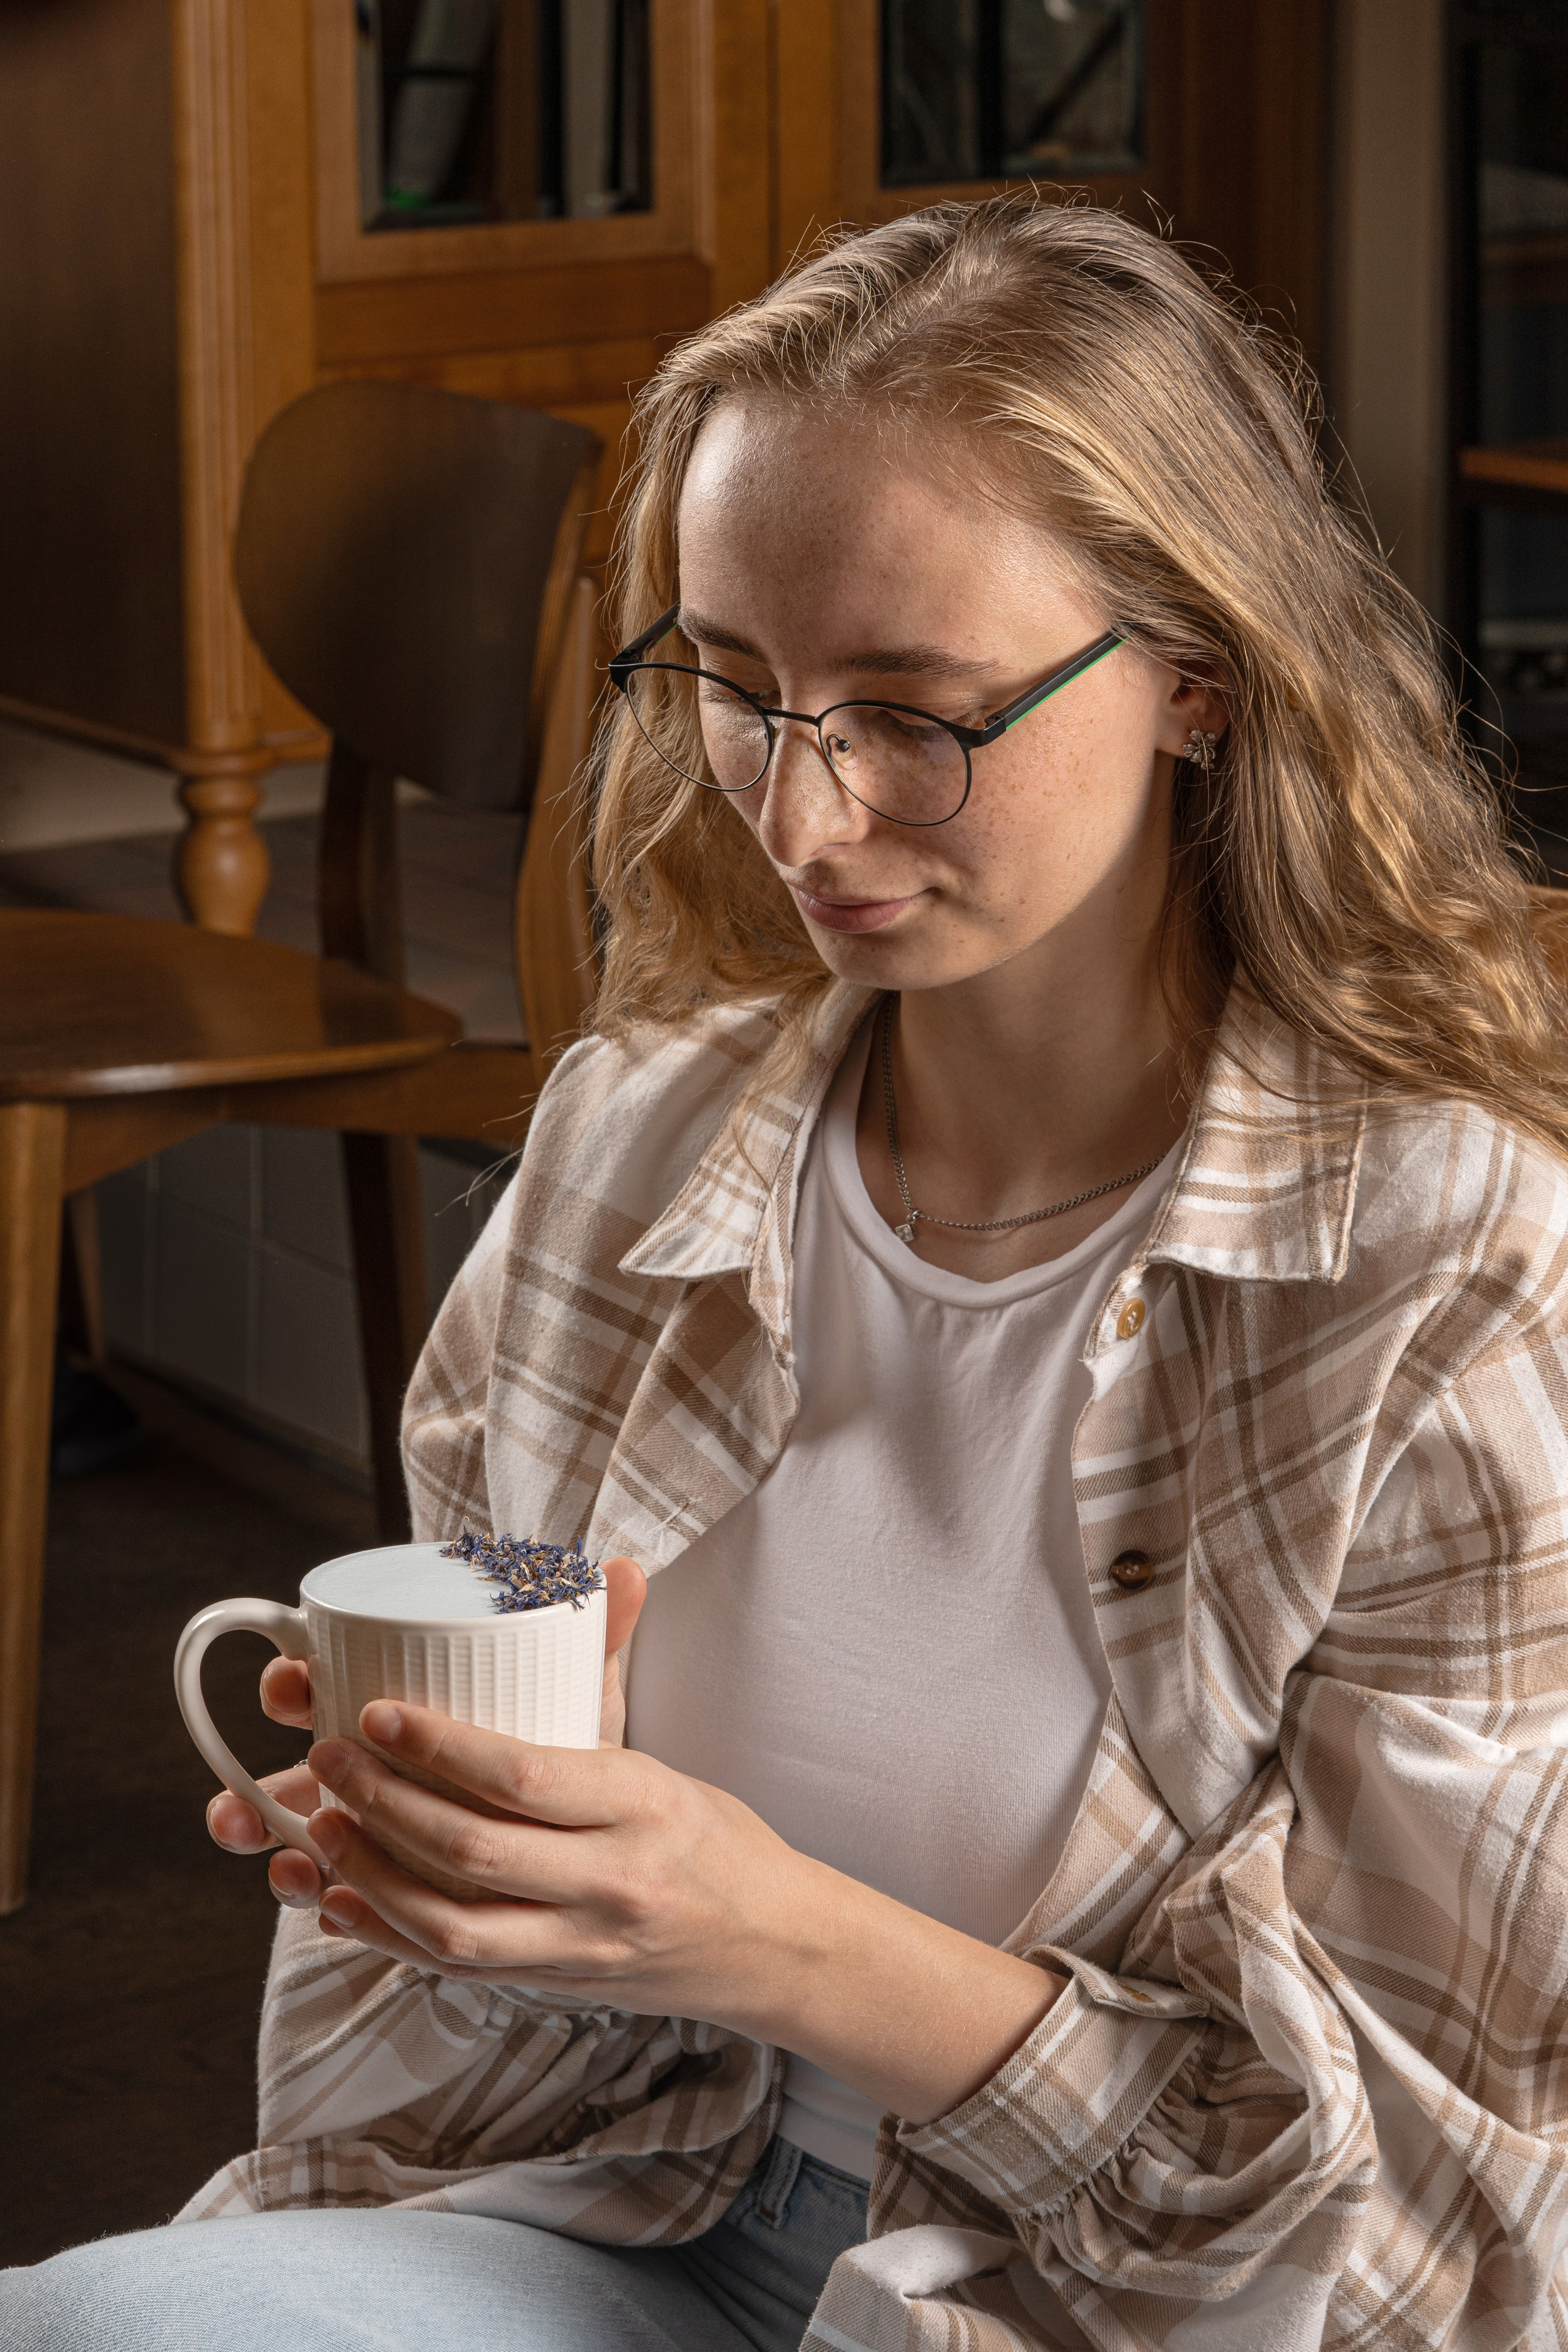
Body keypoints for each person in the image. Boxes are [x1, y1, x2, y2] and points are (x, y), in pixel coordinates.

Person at [9, 192, 1568, 2352]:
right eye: (737, 686)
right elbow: (432, 2067)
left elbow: (1413, 2233)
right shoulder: (634, 1150)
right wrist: (456, 1865)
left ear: (1200, 680)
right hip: (624, 2204)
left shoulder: (1455, 1276)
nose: (806, 816)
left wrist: (762, 1934)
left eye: (917, 712)